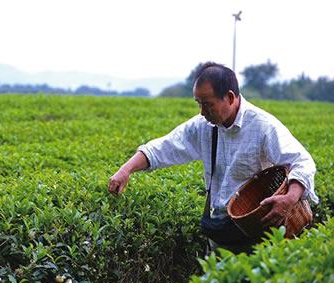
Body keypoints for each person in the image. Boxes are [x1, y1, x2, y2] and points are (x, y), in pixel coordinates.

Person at [108, 62, 318, 254]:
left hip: (258, 233)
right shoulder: (203, 125)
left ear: (230, 97)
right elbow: (164, 148)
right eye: (198, 103)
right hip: (221, 234)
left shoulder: (262, 126)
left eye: (207, 104)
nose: (201, 111)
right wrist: (126, 169)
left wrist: (290, 198)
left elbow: (302, 161)